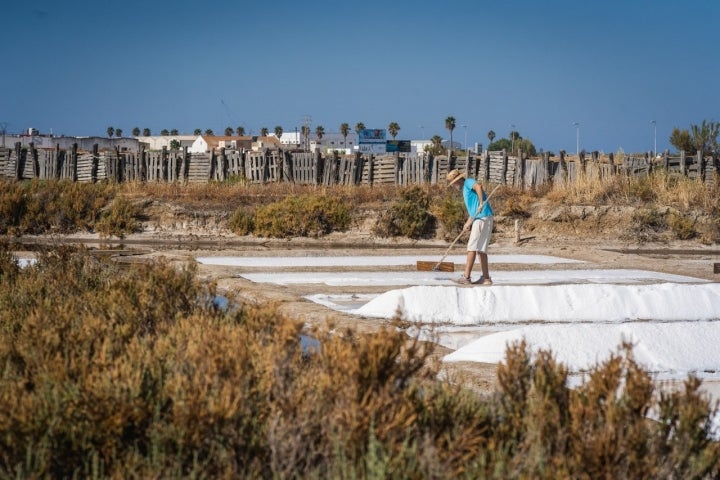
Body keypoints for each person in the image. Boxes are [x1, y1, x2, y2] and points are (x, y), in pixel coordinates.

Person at [446, 169, 494, 285]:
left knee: (471, 247)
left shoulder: (468, 182)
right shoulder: (465, 189)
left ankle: (466, 277)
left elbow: (478, 187)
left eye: (453, 184)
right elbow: (474, 211)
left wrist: (482, 202)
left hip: (482, 217)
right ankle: (486, 278)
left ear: (458, 181)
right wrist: (468, 223)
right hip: (485, 217)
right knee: (481, 250)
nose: (453, 186)